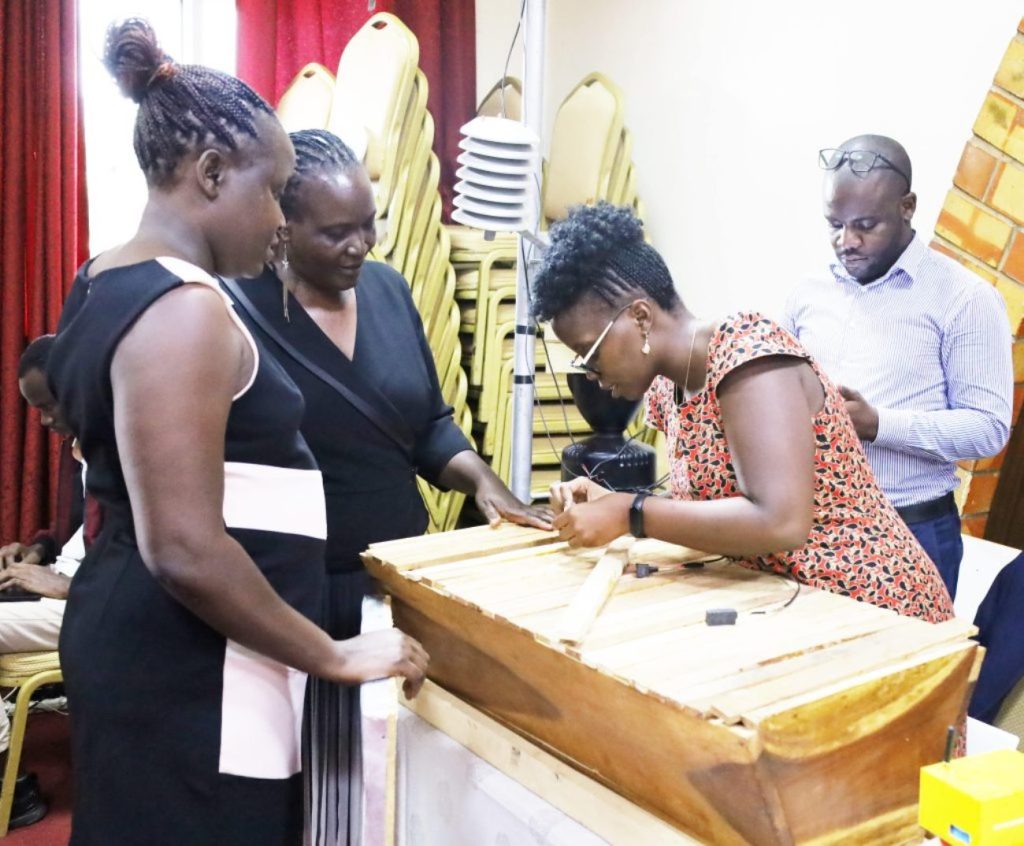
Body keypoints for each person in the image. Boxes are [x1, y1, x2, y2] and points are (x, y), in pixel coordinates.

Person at [46, 20, 427, 846]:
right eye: (272, 194)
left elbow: (52, 378)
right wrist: (331, 655)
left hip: (157, 637)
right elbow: (184, 545)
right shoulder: (187, 309)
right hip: (194, 661)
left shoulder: (105, 275)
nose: (279, 225)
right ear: (212, 174)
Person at [228, 128, 551, 843]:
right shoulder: (235, 309)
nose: (361, 244)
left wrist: (485, 483)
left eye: (369, 223)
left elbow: (428, 423)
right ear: (282, 228)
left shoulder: (388, 289)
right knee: (313, 795)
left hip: (397, 584)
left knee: (393, 791)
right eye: (336, 232)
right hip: (297, 599)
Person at [537, 202, 953, 625]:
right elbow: (719, 508)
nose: (590, 374)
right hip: (795, 603)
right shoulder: (667, 388)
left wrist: (631, 512)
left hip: (877, 606)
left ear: (640, 317)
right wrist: (613, 503)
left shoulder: (748, 353)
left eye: (588, 353)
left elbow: (779, 521)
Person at [784, 135, 1013, 600]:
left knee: (905, 673)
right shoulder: (808, 294)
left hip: (913, 533)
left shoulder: (964, 300)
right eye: (835, 224)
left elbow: (988, 429)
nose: (846, 242)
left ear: (907, 207)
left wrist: (878, 425)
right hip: (814, 529)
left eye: (865, 225)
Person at [1, 335, 83, 576]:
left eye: (48, 406)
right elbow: (74, 530)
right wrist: (38, 549)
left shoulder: (115, 454)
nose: (44, 421)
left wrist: (70, 587)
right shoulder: (72, 451)